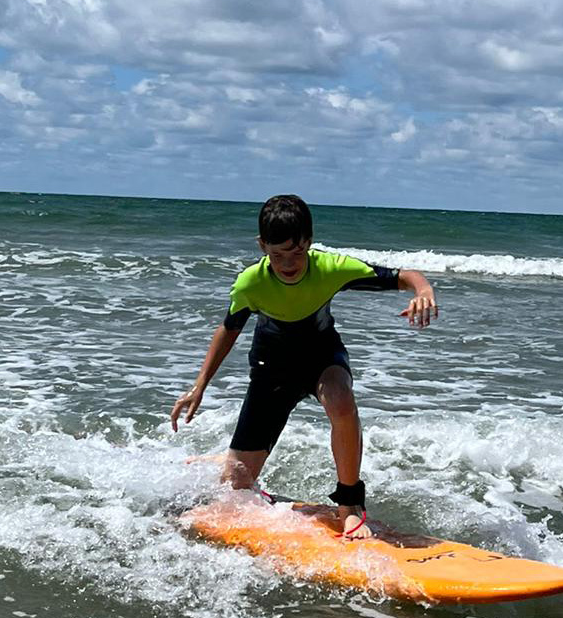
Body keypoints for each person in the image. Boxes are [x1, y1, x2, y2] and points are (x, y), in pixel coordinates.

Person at [170, 194, 437, 540]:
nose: (288, 263)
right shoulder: (251, 282)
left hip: (322, 358)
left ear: (309, 243)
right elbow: (229, 329)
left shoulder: (331, 268)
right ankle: (227, 461)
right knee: (235, 490)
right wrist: (200, 384)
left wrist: (424, 289)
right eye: (277, 254)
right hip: (271, 368)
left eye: (296, 252)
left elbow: (403, 276)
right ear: (262, 245)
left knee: (340, 399)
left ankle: (350, 506)